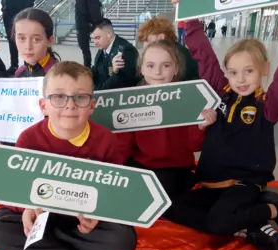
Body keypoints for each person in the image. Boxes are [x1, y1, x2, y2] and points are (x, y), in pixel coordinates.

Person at [167, 0, 278, 250]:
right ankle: (251, 225)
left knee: (219, 223)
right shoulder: (221, 93)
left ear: (263, 69)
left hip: (244, 184)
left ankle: (272, 208)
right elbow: (204, 56)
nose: (240, 79)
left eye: (249, 71)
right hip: (212, 184)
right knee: (173, 209)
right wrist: (187, 14)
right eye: (233, 72)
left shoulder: (268, 105)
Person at [0, 61, 137, 250]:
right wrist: (26, 207)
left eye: (80, 97)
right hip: (40, 219)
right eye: (59, 97)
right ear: (43, 105)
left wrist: (98, 217)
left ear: (92, 105)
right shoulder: (28, 139)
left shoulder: (106, 140)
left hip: (80, 225)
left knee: (123, 240)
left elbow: (114, 193)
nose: (70, 105)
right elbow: (14, 191)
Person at [114, 40, 214, 201]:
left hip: (174, 168)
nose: (158, 72)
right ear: (142, 69)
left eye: (166, 65)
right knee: (125, 193)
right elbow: (123, 146)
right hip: (142, 165)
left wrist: (200, 127)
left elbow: (194, 145)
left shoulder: (187, 98)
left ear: (176, 69)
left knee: (158, 197)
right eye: (151, 65)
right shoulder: (132, 100)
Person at [0, 7, 59, 179]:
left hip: (47, 149)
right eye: (21, 38)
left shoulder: (58, 76)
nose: (27, 46)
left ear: (50, 40)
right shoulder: (20, 72)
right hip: (19, 141)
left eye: (36, 39)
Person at [136, 16, 199, 81]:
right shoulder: (178, 50)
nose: (144, 45)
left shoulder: (175, 54)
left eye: (147, 40)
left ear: (161, 37)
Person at [91, 18, 140, 91]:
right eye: (93, 39)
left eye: (98, 38)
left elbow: (121, 83)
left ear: (109, 34)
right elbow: (97, 69)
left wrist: (97, 90)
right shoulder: (103, 49)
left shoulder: (126, 50)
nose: (95, 42)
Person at [1, 0, 34, 75]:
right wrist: (3, 8)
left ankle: (28, 65)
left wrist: (27, 8)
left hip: (23, 11)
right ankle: (14, 65)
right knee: (11, 39)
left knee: (25, 38)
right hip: (8, 11)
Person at [75, 0, 103, 68]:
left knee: (85, 48)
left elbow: (86, 10)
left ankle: (88, 66)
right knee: (85, 48)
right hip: (85, 24)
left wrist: (91, 22)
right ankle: (88, 66)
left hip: (85, 24)